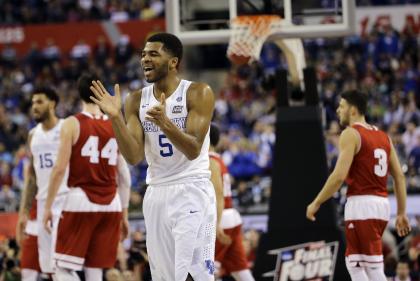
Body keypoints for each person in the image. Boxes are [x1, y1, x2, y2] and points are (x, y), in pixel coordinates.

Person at [90, 32, 216, 281]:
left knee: (193, 275)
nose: (145, 59)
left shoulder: (198, 93)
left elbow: (193, 150)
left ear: (173, 62)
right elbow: (134, 156)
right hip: (156, 191)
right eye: (143, 54)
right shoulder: (136, 99)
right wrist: (116, 119)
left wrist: (165, 122)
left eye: (153, 54)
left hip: (191, 189)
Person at [306, 90, 411, 281]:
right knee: (354, 263)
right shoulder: (384, 137)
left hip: (362, 204)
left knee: (373, 268)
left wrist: (317, 202)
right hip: (379, 204)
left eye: (342, 106)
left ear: (353, 110)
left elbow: (338, 176)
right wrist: (402, 212)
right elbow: (399, 177)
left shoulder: (351, 134)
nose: (338, 110)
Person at [43, 73, 131, 281]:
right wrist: (124, 215)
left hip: (80, 200)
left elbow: (59, 169)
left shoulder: (72, 123)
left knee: (63, 269)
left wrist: (47, 207)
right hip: (112, 205)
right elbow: (125, 177)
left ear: (78, 94)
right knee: (95, 269)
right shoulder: (115, 126)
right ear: (102, 93)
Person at [16, 87, 69, 279]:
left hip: (66, 201)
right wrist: (23, 212)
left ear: (52, 103)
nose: (34, 107)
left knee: (65, 264)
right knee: (48, 267)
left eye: (39, 102)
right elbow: (31, 178)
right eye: (32, 103)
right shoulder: (32, 135)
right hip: (42, 204)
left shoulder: (67, 128)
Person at [209, 124, 255, 281]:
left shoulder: (208, 161)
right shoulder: (219, 158)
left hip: (221, 218)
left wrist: (217, 221)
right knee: (241, 270)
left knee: (209, 270)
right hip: (232, 218)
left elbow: (218, 193)